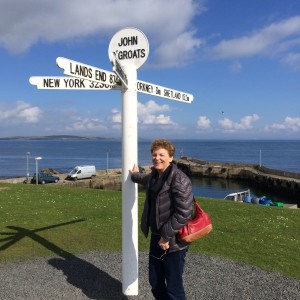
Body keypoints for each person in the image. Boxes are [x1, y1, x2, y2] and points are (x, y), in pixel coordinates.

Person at [130, 139, 194, 300]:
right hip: (157, 237)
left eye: (161, 155)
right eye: (154, 154)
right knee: (155, 281)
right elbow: (144, 179)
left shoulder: (179, 179)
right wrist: (134, 175)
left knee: (173, 286)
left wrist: (166, 236)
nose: (157, 158)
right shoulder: (154, 176)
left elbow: (184, 213)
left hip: (174, 240)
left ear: (171, 157)